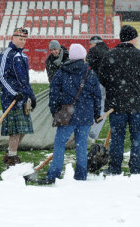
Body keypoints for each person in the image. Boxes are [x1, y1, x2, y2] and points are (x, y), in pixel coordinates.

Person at [39, 43, 101, 184]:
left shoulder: (61, 72)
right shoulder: (90, 73)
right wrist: (96, 113)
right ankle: (80, 175)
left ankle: (53, 175)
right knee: (81, 146)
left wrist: (54, 110)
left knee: (60, 144)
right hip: (85, 115)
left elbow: (53, 93)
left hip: (67, 114)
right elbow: (97, 96)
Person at [99, 25, 140, 175]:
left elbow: (102, 78)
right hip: (137, 104)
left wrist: (115, 87)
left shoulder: (110, 55)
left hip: (116, 104)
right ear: (133, 38)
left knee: (117, 137)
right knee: (137, 137)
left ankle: (115, 168)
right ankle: (135, 170)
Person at [0, 28, 37, 167]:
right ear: (13, 38)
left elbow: (26, 79)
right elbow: (1, 77)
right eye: (20, 39)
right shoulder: (6, 54)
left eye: (25, 39)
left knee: (24, 129)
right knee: (15, 130)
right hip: (11, 99)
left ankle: (10, 152)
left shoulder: (23, 56)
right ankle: (12, 157)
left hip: (24, 99)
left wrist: (31, 95)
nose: (23, 42)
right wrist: (13, 93)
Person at [86, 35, 110, 139]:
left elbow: (87, 63)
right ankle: (94, 133)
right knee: (102, 108)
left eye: (90, 44)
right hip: (108, 83)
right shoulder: (108, 51)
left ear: (94, 43)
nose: (90, 46)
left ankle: (90, 132)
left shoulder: (94, 50)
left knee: (91, 106)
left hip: (96, 81)